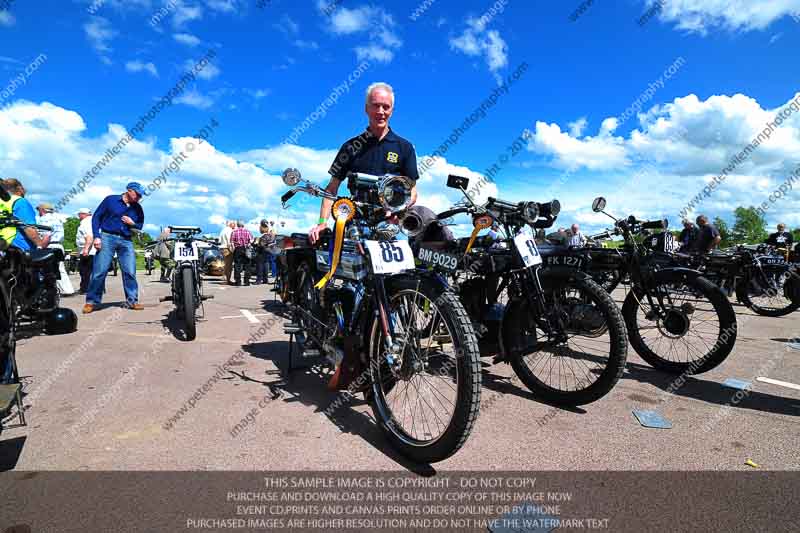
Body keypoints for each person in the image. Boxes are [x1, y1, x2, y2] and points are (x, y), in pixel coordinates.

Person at [308, 82, 419, 244]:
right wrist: (322, 223)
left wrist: (397, 209)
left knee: (401, 270)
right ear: (366, 108)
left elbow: (412, 190)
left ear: (392, 111)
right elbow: (331, 188)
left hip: (391, 225)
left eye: (386, 107)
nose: (381, 111)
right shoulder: (350, 147)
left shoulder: (405, 148)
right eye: (375, 106)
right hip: (352, 222)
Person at [82, 182, 146, 314]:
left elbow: (139, 226)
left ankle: (132, 300)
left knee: (130, 271)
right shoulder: (110, 200)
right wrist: (97, 236)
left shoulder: (138, 208)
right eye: (137, 194)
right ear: (129, 190)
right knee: (100, 271)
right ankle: (91, 301)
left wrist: (132, 223)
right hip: (107, 237)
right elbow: (96, 217)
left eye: (141, 196)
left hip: (126, 240)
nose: (139, 197)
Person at [0, 178, 51, 251]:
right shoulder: (20, 202)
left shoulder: (2, 203)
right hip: (18, 248)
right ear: (20, 189)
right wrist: (40, 244)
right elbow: (29, 228)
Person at [36, 202, 76, 296]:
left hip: (49, 246)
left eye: (38, 210)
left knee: (48, 270)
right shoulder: (57, 219)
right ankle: (67, 290)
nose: (38, 212)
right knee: (60, 269)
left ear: (42, 210)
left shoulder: (44, 219)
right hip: (58, 245)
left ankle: (50, 291)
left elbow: (47, 235)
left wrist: (40, 247)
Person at [75, 207, 95, 294]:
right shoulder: (92, 221)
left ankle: (85, 289)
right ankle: (99, 288)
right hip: (93, 250)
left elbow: (89, 236)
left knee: (84, 271)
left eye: (79, 214)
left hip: (89, 251)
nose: (79, 216)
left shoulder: (85, 223)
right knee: (93, 270)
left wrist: (86, 249)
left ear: (83, 214)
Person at [231, 220, 253, 286]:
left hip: (238, 249)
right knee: (247, 265)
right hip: (246, 248)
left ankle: (238, 281)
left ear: (237, 225)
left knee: (237, 265)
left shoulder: (234, 232)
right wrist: (248, 244)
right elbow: (251, 240)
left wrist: (233, 248)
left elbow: (231, 242)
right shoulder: (247, 231)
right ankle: (247, 281)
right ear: (243, 225)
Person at [255, 219, 275, 285]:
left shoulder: (263, 236)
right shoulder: (270, 235)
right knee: (266, 264)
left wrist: (256, 243)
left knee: (260, 265)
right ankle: (265, 279)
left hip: (261, 251)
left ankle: (259, 280)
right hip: (268, 251)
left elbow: (261, 245)